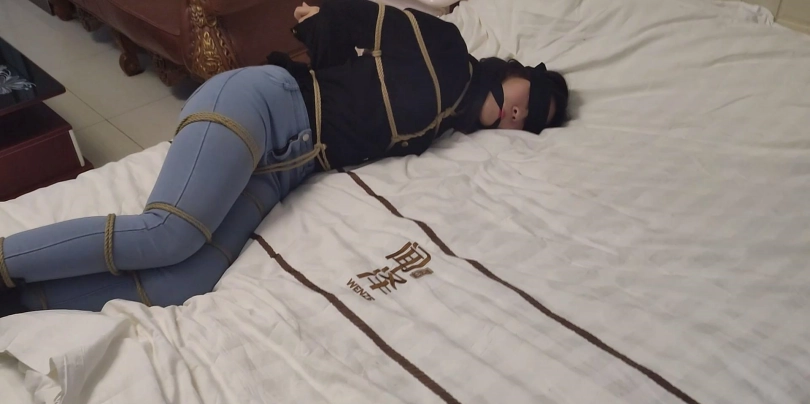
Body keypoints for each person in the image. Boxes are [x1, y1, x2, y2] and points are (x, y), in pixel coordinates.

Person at [0, 0, 569, 315]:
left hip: (290, 165)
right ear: (513, 73)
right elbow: (370, 22)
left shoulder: (445, 128)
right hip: (266, 103)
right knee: (169, 234)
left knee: (187, 280)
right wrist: (318, 23)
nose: (520, 115)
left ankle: (19, 302)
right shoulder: (447, 50)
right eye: (530, 98)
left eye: (531, 122)